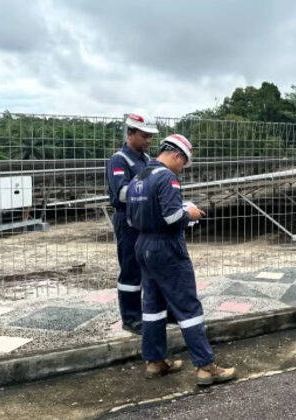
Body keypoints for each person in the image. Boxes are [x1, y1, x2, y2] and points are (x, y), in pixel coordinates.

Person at [126, 134, 236, 384]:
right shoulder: (167, 178)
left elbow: (130, 219)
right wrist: (191, 213)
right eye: (183, 163)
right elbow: (173, 217)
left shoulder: (138, 177)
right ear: (176, 155)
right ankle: (205, 366)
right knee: (188, 306)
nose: (182, 168)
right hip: (166, 247)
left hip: (142, 245)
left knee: (152, 306)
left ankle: (155, 361)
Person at [105, 111, 157, 334]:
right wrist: (149, 191)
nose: (148, 140)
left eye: (150, 136)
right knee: (130, 269)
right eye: (144, 136)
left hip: (144, 221)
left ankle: (150, 312)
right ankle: (131, 318)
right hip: (127, 222)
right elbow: (121, 193)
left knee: (149, 267)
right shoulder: (119, 160)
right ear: (130, 133)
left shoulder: (147, 160)